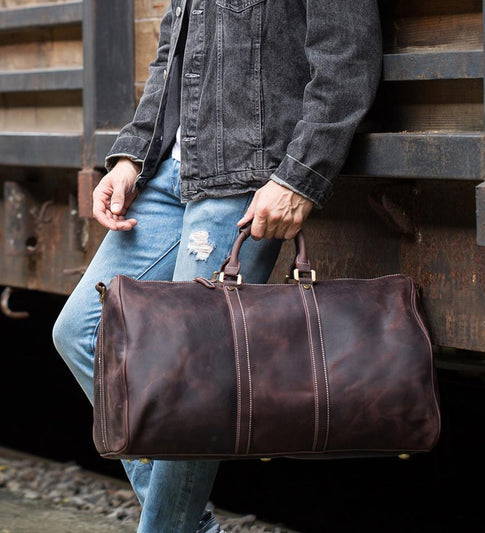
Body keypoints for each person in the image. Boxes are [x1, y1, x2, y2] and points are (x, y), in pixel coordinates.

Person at [52, 1, 382, 531]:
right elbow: (171, 60)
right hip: (168, 176)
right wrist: (132, 156)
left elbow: (348, 56)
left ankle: (171, 526)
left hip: (246, 178)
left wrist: (301, 175)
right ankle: (189, 521)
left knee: (192, 373)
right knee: (82, 333)